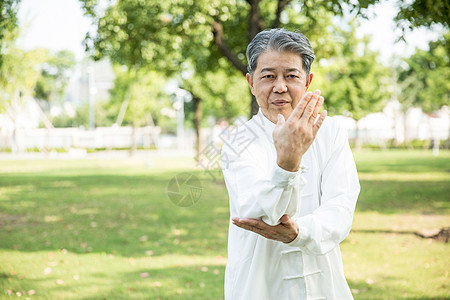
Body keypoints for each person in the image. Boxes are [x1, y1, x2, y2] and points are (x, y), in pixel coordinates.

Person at [221, 28, 360, 299]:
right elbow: (258, 210)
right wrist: (288, 163)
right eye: (268, 76)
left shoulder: (330, 132)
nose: (280, 86)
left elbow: (341, 208)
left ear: (307, 81)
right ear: (251, 82)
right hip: (258, 285)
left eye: (291, 75)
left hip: (323, 284)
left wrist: (300, 233)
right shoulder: (237, 141)